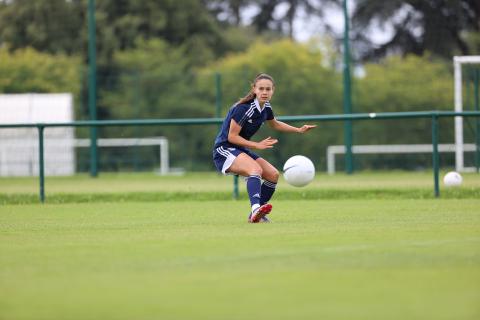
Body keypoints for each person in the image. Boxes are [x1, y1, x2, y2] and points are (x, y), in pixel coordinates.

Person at [213, 73, 316, 223]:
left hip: (240, 149)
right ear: (254, 89)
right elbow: (232, 137)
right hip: (224, 149)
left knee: (273, 175)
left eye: (268, 89)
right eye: (261, 88)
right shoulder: (243, 109)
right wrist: (257, 145)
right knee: (255, 170)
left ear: (273, 90)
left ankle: (256, 215)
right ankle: (256, 209)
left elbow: (275, 124)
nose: (264, 92)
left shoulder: (266, 107)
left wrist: (298, 130)